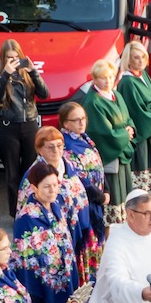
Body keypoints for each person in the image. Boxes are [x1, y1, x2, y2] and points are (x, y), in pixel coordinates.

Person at [13, 162, 78, 303]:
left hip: (64, 274)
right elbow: (25, 260)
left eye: (55, 185)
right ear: (34, 188)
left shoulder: (56, 206)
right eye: (47, 186)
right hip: (43, 280)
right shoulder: (26, 218)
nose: (53, 190)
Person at [0, 39, 49, 217]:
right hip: (9, 127)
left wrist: (33, 72)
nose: (14, 61)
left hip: (30, 125)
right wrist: (5, 75)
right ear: (4, 59)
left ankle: (31, 209)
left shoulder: (27, 74)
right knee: (12, 174)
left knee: (31, 171)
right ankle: (16, 214)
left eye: (17, 57)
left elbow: (45, 94)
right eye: (9, 58)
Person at [82, 60, 137, 223]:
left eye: (111, 76)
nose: (108, 81)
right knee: (114, 193)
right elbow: (103, 133)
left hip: (122, 148)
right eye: (103, 78)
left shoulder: (115, 94)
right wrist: (125, 135)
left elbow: (127, 117)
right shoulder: (93, 102)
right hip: (111, 155)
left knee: (124, 190)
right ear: (94, 79)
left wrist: (130, 128)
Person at [116, 42, 151, 192]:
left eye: (143, 57)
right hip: (142, 134)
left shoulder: (142, 74)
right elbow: (138, 113)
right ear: (128, 60)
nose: (141, 61)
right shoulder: (127, 82)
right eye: (136, 58)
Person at [58, 103, 110, 252]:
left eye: (83, 118)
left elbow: (97, 164)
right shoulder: (66, 146)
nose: (81, 123)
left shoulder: (83, 138)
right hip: (85, 204)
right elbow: (79, 179)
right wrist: (100, 197)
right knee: (89, 247)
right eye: (76, 120)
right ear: (66, 123)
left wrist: (106, 189)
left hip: (96, 198)